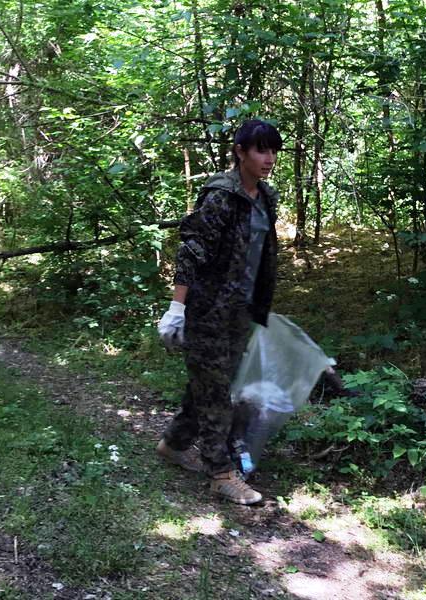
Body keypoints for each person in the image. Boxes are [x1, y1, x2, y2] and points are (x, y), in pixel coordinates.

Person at [156, 119, 282, 505]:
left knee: (210, 384)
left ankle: (174, 443)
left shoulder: (266, 197)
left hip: (241, 310)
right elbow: (191, 251)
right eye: (261, 150)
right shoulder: (220, 196)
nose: (269, 158)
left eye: (274, 150)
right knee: (216, 393)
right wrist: (178, 306)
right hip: (208, 310)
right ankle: (221, 472)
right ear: (240, 152)